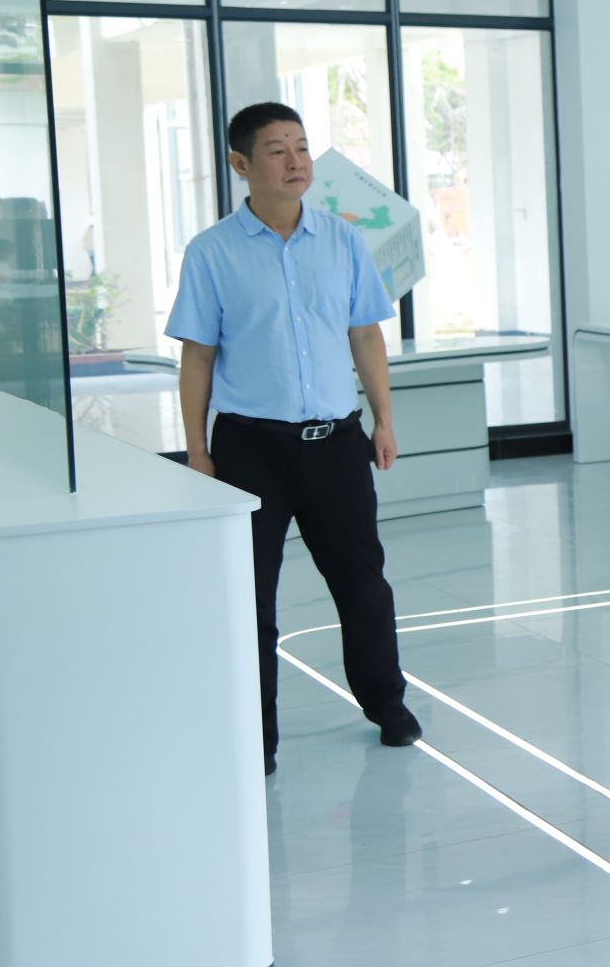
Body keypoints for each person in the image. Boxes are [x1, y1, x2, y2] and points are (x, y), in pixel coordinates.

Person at [165, 102, 422, 778]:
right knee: (251, 596)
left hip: (336, 441)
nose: (296, 161)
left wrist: (383, 418)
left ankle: (388, 704)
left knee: (363, 585)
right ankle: (259, 736)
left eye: (302, 147)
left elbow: (365, 333)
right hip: (249, 448)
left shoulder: (342, 240)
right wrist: (197, 450)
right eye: (277, 150)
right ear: (240, 163)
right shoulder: (211, 252)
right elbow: (197, 356)